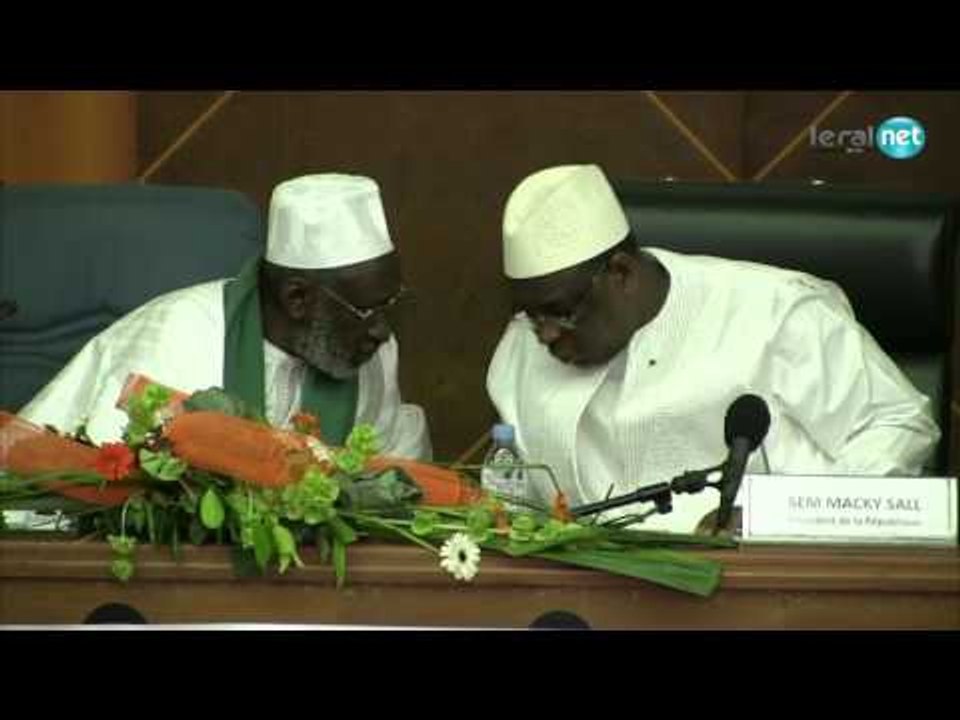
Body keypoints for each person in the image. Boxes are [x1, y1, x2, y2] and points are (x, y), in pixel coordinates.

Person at [486, 164, 940, 532]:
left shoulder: (775, 312)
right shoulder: (520, 349)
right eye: (531, 316)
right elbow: (522, 496)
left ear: (621, 274)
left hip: (769, 594)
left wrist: (780, 524)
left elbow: (898, 424)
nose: (544, 335)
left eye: (560, 312)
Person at [20, 173, 430, 459]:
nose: (381, 330)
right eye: (366, 310)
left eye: (389, 304)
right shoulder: (176, 338)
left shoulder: (372, 352)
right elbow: (105, 477)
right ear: (297, 299)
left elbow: (397, 471)